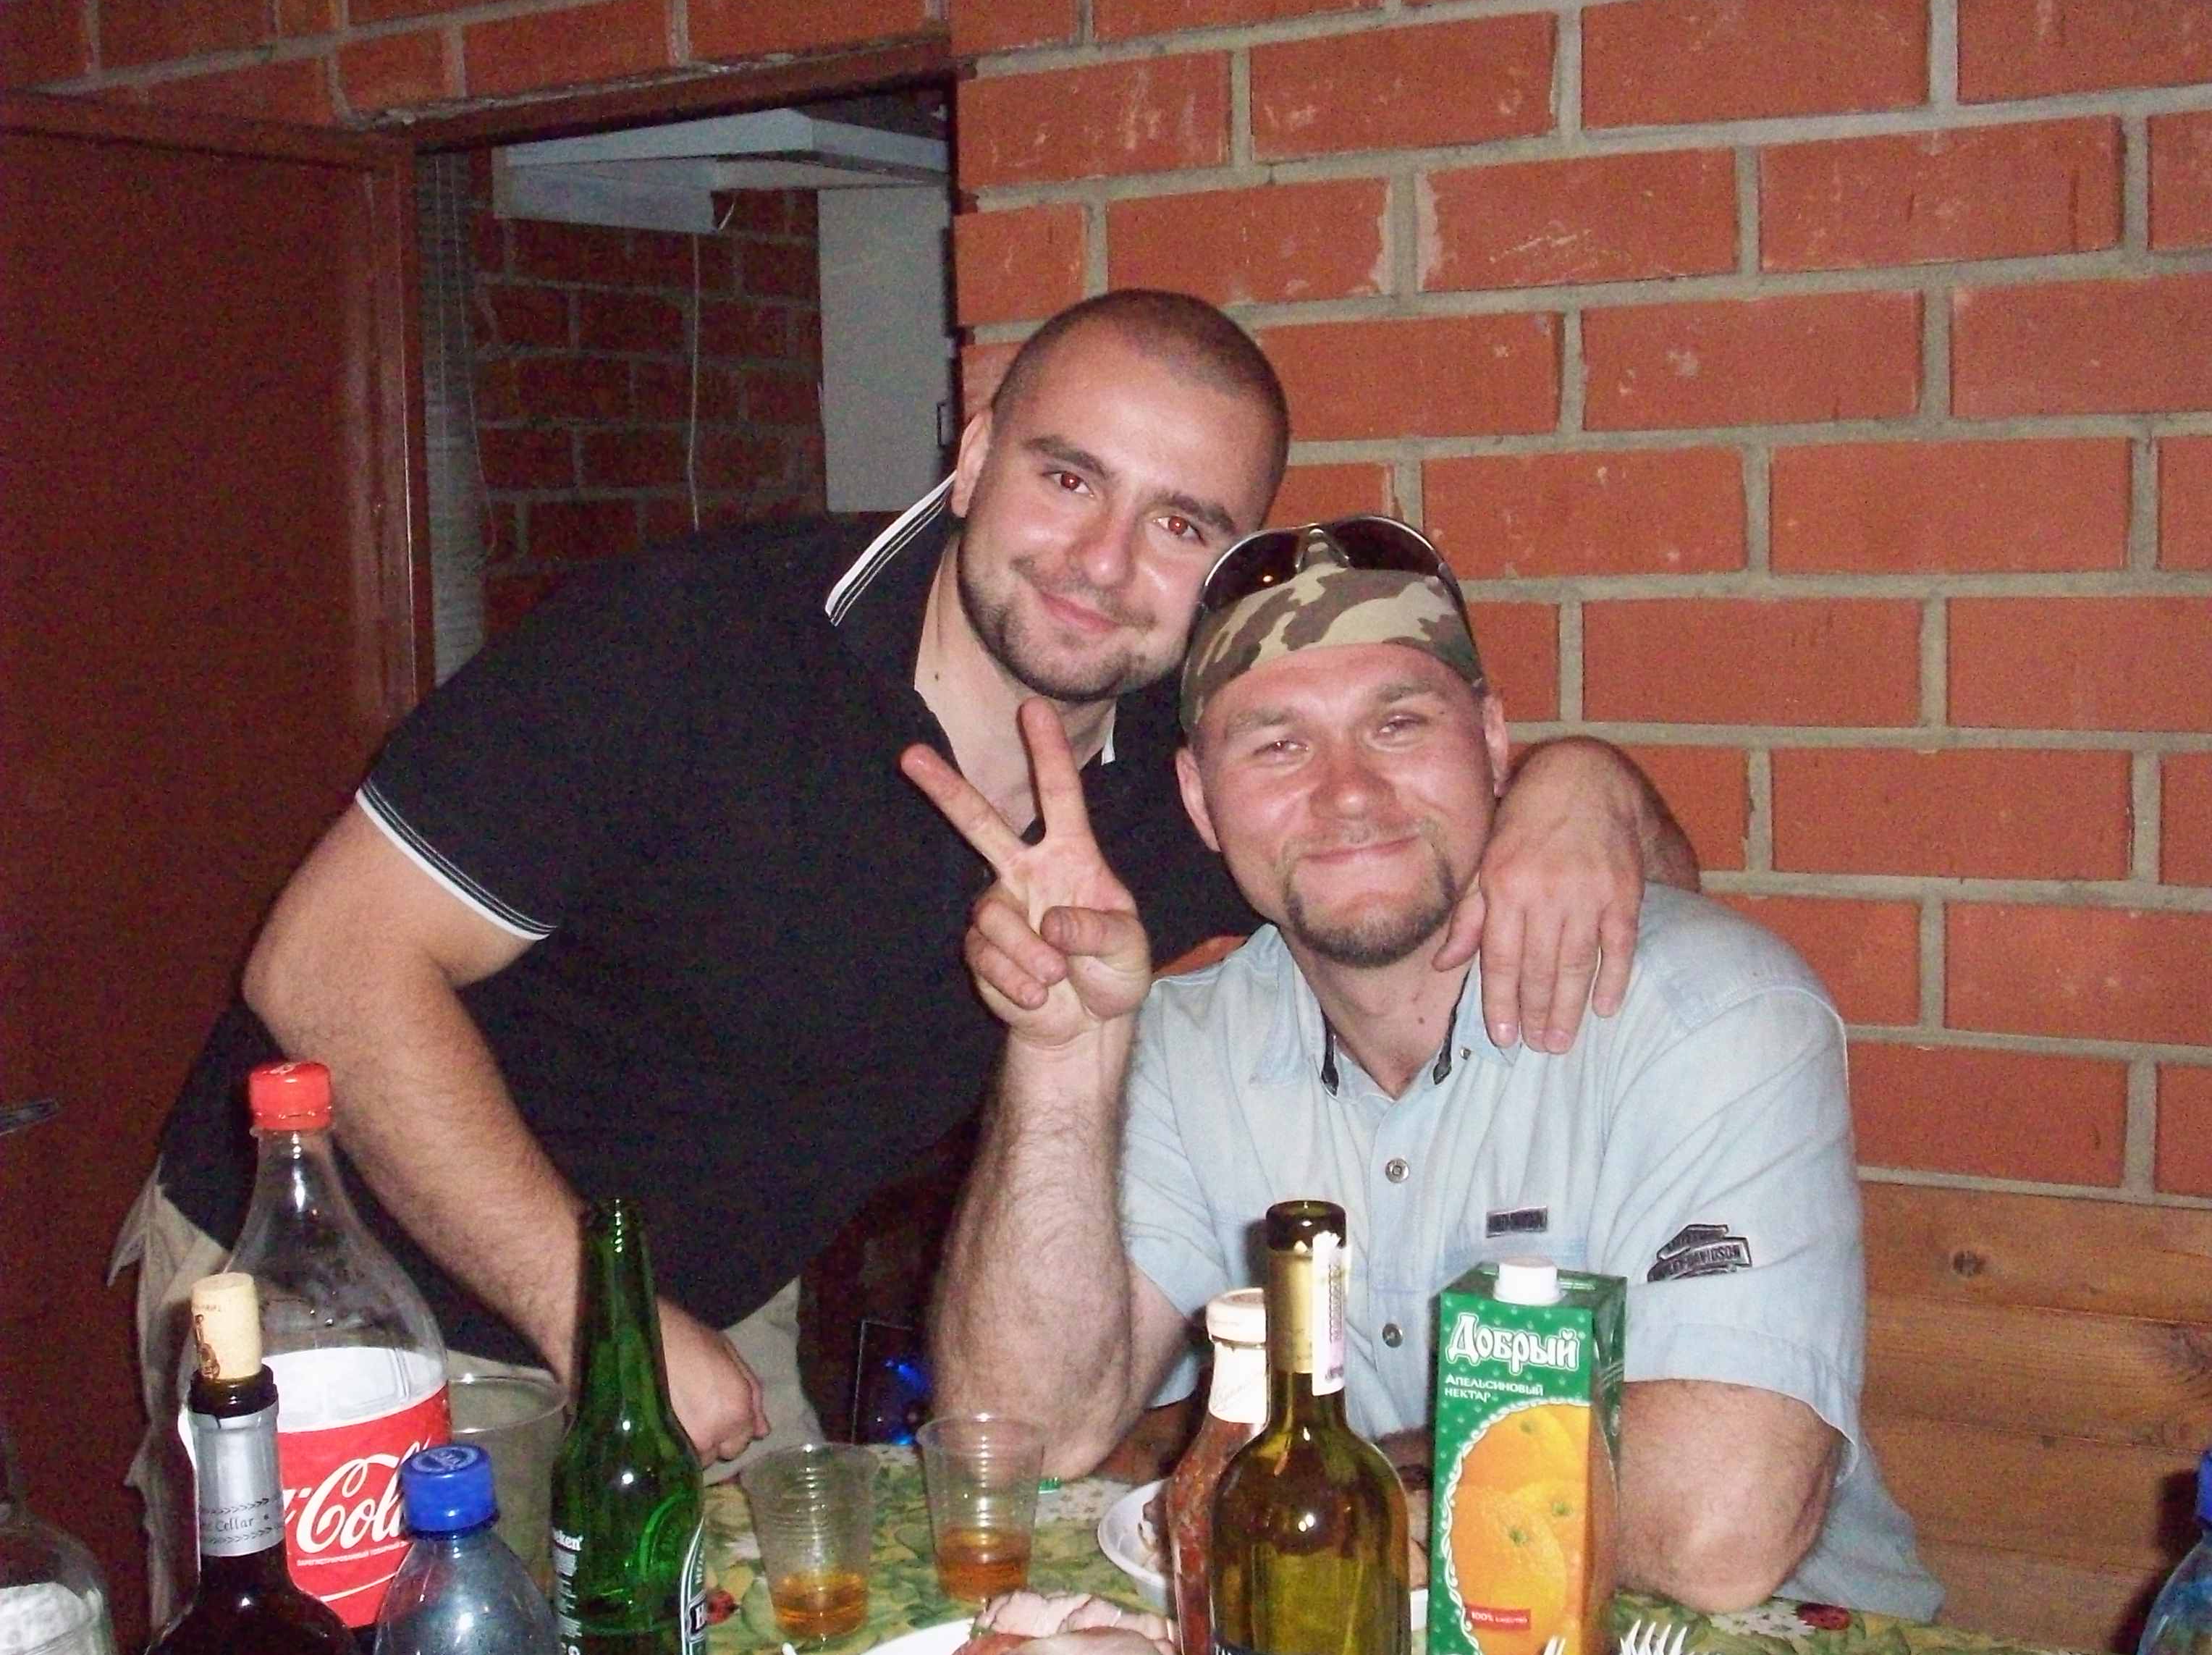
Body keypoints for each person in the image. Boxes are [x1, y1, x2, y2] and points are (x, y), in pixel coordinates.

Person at [117, 292, 1692, 1619]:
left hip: (692, 1305)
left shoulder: (1193, 777)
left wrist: (1579, 786)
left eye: (1179, 524)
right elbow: (323, 967)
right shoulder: (685, 646)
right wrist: (596, 1322)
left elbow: (1490, 848)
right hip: (349, 1274)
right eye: (1067, 478)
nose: (1100, 562)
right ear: (974, 455)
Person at [908, 518, 1941, 1617]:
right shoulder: (1187, 1041)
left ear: (1492, 744)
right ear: (1202, 802)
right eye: (1277, 745)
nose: (1349, 792)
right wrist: (1064, 1056)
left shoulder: (1712, 1012)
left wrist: (1312, 1479)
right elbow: (1024, 1437)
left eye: (1398, 725)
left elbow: (1713, 1534)